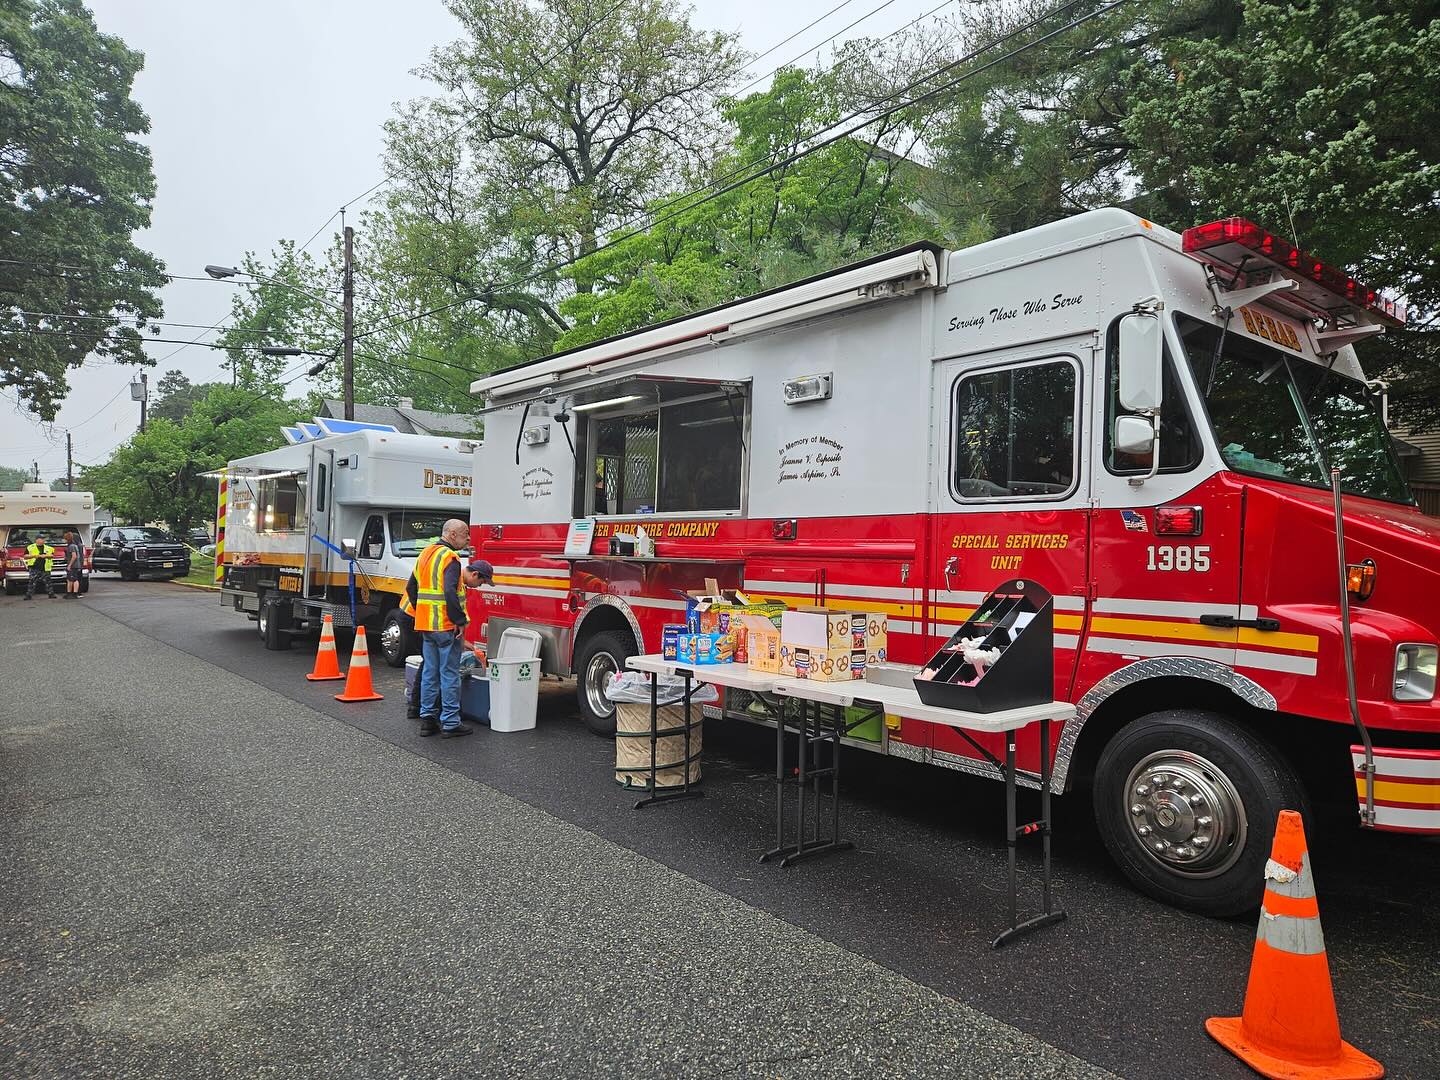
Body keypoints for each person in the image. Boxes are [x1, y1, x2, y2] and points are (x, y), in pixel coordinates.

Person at [405, 518, 478, 739]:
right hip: (446, 626)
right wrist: (458, 620)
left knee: (430, 673)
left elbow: (411, 588)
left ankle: (427, 721)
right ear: (453, 534)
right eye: (465, 534)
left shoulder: (425, 554)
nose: (468, 539)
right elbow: (449, 592)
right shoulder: (451, 558)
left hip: (427, 625)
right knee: (449, 675)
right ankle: (450, 722)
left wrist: (423, 613)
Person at [24, 532, 57, 600]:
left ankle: (51, 594)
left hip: (45, 567)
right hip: (34, 567)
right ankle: (29, 595)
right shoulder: (30, 547)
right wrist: (34, 556)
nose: (43, 540)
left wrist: (45, 556)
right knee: (32, 582)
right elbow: (25, 556)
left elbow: (52, 555)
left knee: (48, 582)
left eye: (43, 539)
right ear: (36, 540)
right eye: (41, 539)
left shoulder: (49, 548)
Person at [63, 530, 83, 598]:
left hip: (73, 566)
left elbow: (74, 556)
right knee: (70, 579)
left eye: (65, 539)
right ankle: (69, 593)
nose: (64, 540)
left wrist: (69, 565)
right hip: (75, 565)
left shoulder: (71, 546)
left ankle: (75, 593)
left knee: (74, 579)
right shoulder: (74, 545)